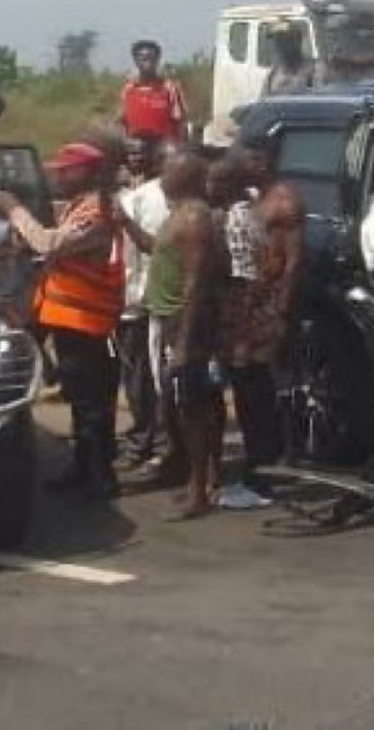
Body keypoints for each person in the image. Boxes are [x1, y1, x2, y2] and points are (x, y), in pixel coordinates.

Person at [0, 142, 124, 500]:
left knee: (91, 404)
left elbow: (50, 243)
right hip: (70, 317)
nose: (59, 175)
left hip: (88, 321)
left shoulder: (97, 210)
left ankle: (99, 477)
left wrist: (13, 208)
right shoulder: (81, 206)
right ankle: (84, 470)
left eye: (68, 169)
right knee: (80, 399)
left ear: (89, 172)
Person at [216, 143, 305, 488]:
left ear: (264, 163)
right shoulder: (254, 200)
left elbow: (293, 260)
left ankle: (271, 460)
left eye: (251, 159)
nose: (244, 164)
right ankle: (259, 457)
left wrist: (281, 307)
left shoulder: (283, 201)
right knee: (246, 383)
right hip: (250, 303)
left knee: (262, 386)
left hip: (267, 306)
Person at [141, 151, 224, 519]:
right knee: (179, 406)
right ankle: (195, 479)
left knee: (193, 408)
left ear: (186, 178)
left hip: (184, 322)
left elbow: (195, 284)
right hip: (168, 319)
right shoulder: (177, 214)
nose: (161, 177)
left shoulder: (193, 219)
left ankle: (199, 490)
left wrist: (185, 341)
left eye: (168, 172)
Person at [114, 137, 170, 470]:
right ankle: (152, 440)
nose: (136, 158)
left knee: (143, 376)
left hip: (141, 300)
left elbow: (132, 255)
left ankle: (147, 441)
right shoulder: (137, 197)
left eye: (142, 152)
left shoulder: (135, 199)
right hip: (151, 299)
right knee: (152, 375)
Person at [118, 40, 188, 144]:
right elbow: (122, 122)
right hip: (134, 146)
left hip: (163, 147)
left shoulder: (169, 88)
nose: (148, 62)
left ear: (158, 59)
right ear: (136, 60)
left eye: (152, 58)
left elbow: (179, 121)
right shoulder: (128, 90)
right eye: (143, 58)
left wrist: (177, 147)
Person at [261, 21, 314, 97]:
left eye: (283, 40)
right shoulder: (273, 73)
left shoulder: (312, 70)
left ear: (297, 41)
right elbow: (263, 102)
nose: (278, 45)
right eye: (276, 40)